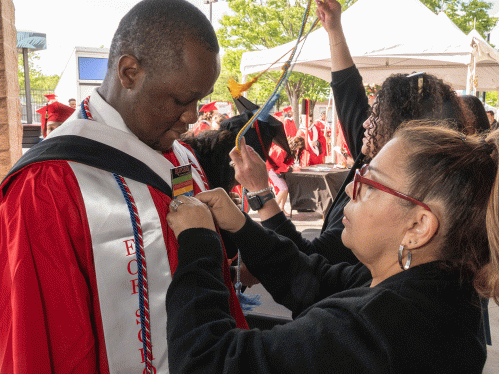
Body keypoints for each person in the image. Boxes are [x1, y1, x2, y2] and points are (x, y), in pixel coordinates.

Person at [0, 1, 247, 372]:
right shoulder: (48, 186)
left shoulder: (183, 159)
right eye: (181, 100)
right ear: (129, 72)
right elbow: (40, 344)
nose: (193, 117)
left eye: (200, 99)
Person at [165, 124, 499, 373]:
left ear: (419, 226)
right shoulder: (435, 285)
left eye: (370, 184)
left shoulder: (376, 329)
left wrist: (199, 243)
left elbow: (207, 361)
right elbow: (313, 280)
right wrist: (240, 224)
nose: (352, 187)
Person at [231, 0, 474, 266]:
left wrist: (260, 193)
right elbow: (349, 95)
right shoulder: (388, 158)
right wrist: (334, 29)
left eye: (376, 116)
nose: (366, 124)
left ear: (402, 131)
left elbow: (310, 265)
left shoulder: (389, 196)